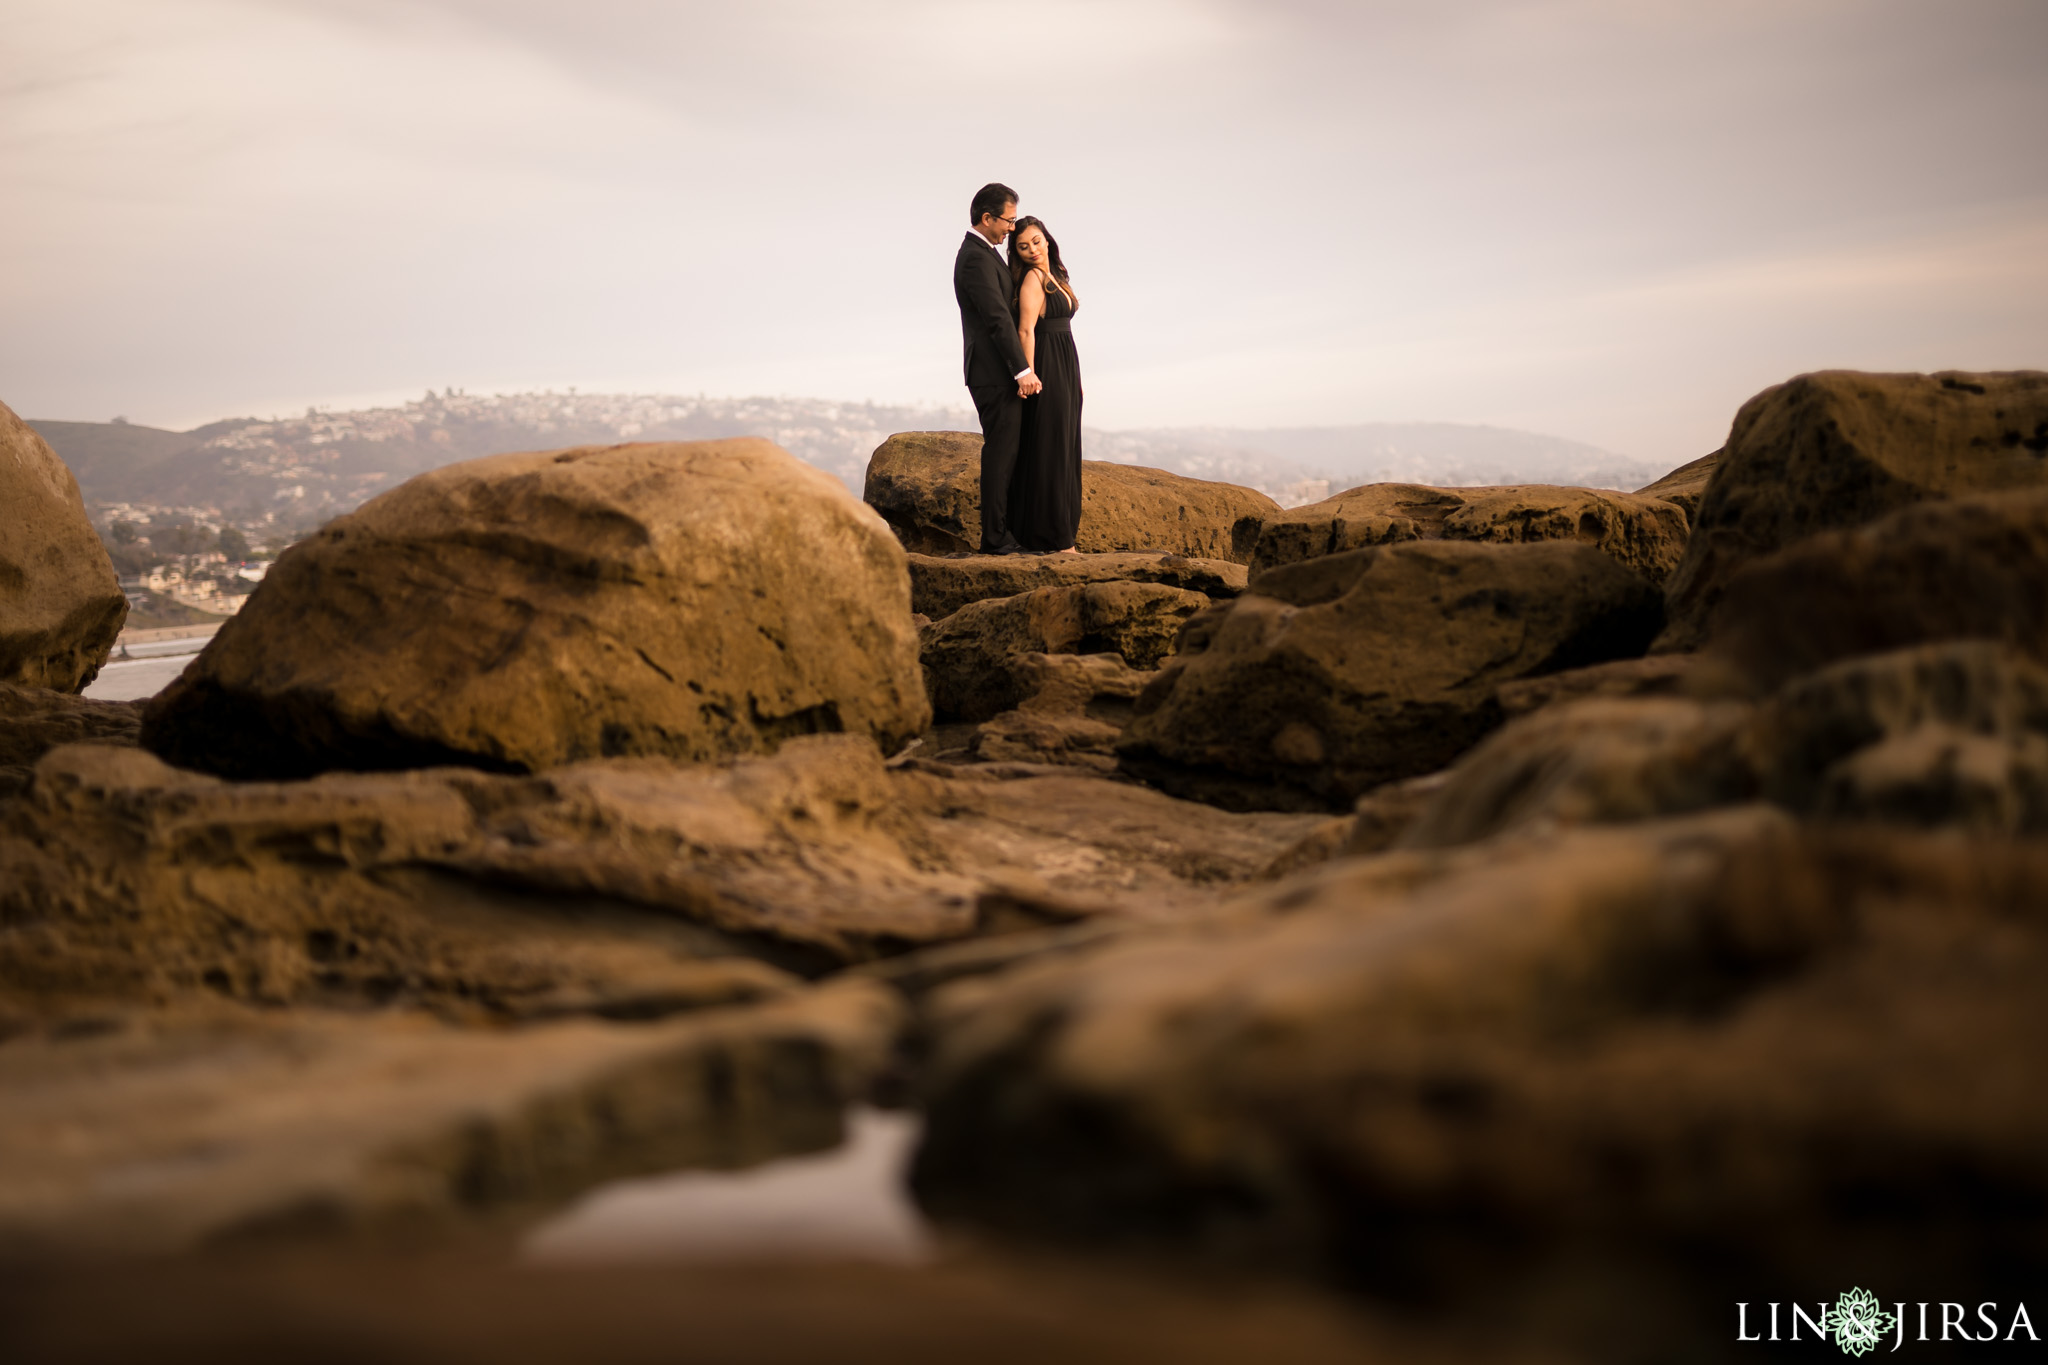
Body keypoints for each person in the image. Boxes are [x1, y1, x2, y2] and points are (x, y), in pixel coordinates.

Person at [953, 182, 1041, 555]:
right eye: (1008, 219)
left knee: (1008, 453)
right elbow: (996, 319)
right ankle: (995, 538)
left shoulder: (987, 254)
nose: (1011, 227)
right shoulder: (974, 257)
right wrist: (1022, 370)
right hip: (992, 374)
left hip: (997, 372)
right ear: (986, 218)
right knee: (1000, 454)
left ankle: (1004, 533)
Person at [1007, 217, 1083, 554]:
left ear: (1047, 240)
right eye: (1023, 246)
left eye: (1036, 242)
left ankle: (1063, 531)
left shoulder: (1057, 276)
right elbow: (1026, 331)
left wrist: (1075, 381)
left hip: (1066, 365)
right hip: (1048, 367)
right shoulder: (1033, 280)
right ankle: (1054, 538)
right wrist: (1030, 374)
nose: (1032, 250)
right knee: (1050, 450)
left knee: (1065, 447)